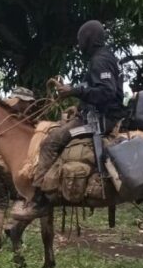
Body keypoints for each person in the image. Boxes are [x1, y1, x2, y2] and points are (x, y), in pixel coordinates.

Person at [16, 20, 126, 220]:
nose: (78, 43)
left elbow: (107, 93)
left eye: (80, 39)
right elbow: (97, 91)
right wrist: (79, 103)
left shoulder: (99, 60)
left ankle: (39, 199)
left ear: (89, 38)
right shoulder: (105, 57)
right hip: (95, 114)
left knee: (51, 142)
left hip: (99, 120)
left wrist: (73, 91)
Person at [0, 87, 35, 249]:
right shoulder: (20, 120)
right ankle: (13, 231)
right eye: (28, 103)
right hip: (11, 166)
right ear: (22, 101)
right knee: (22, 198)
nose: (30, 106)